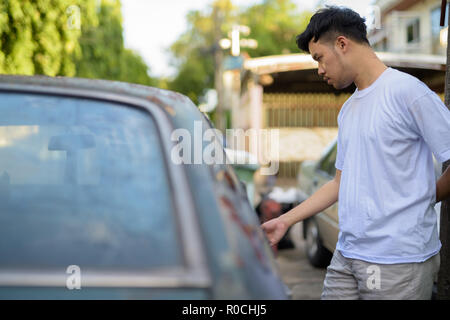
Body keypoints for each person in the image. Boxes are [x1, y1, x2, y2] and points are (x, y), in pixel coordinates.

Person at [261, 6, 450, 300]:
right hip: (347, 254)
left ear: (342, 44)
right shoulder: (349, 109)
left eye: (319, 58)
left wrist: (424, 197)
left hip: (397, 261)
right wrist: (287, 220)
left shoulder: (408, 92)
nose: (319, 69)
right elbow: (339, 183)